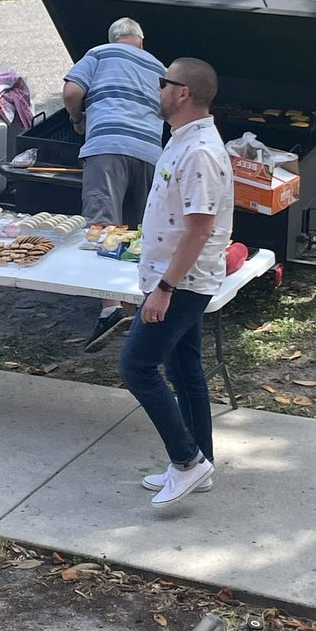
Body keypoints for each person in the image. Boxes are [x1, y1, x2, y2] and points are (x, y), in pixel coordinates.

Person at [119, 57, 234, 508]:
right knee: (185, 370)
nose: (158, 89)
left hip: (182, 282)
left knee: (136, 367)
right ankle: (200, 463)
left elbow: (199, 230)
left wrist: (164, 289)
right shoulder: (183, 140)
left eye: (163, 82)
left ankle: (187, 462)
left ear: (182, 92)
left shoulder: (199, 152)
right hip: (174, 278)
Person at [63, 17, 165, 350]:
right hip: (149, 153)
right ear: (141, 40)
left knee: (104, 227)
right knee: (138, 232)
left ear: (113, 38)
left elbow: (72, 92)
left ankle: (110, 309)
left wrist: (77, 119)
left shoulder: (99, 53)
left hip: (107, 147)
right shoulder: (160, 67)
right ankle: (134, 308)